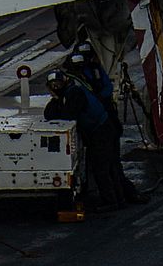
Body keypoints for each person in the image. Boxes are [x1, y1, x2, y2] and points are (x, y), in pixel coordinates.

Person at [65, 49, 147, 205]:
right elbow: (106, 90)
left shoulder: (79, 84)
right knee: (111, 166)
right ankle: (122, 197)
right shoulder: (89, 75)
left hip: (103, 129)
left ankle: (115, 199)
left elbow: (72, 113)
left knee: (105, 167)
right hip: (107, 125)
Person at [44, 70, 122, 210]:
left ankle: (111, 201)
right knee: (102, 166)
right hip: (98, 131)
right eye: (53, 85)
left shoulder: (74, 93)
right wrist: (56, 99)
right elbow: (49, 114)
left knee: (102, 168)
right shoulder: (67, 93)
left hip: (102, 131)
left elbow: (68, 115)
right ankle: (114, 198)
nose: (56, 88)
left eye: (58, 84)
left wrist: (56, 100)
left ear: (64, 82)